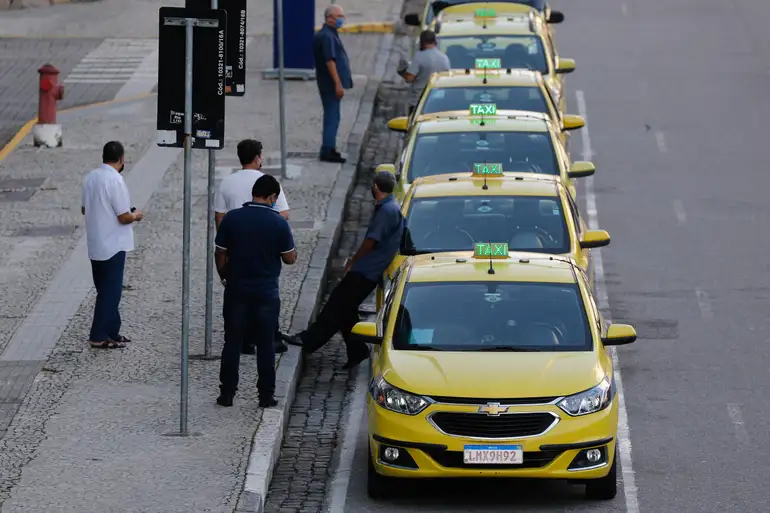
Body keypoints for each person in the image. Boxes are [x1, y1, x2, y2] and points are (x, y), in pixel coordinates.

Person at [286, 171, 403, 369]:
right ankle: (357, 351)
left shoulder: (387, 211)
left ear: (375, 187)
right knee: (346, 309)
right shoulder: (390, 207)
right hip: (370, 269)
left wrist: (352, 262)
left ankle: (309, 340)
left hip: (366, 270)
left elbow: (370, 241)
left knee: (336, 306)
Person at [214, 175, 298, 408]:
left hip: (237, 289)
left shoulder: (232, 218)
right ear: (272, 197)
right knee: (265, 344)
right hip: (266, 292)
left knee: (232, 341)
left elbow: (220, 252)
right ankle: (265, 395)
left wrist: (224, 275)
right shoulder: (278, 223)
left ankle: (227, 393)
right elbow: (289, 258)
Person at [214, 139, 291, 355]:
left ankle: (244, 340)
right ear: (258, 158)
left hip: (236, 245)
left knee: (238, 294)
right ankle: (269, 338)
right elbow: (283, 214)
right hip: (265, 247)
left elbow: (219, 217)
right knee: (267, 292)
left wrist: (227, 242)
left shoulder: (226, 182)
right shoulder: (267, 182)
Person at [82, 141, 143, 349]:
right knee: (111, 291)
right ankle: (98, 336)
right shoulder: (115, 180)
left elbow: (84, 209)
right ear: (121, 159)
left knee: (105, 289)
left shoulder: (90, 177)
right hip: (113, 244)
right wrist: (136, 215)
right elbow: (123, 216)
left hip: (95, 242)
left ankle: (112, 331)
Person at [313, 3, 353, 164]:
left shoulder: (329, 34)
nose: (341, 20)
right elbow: (330, 61)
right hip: (329, 84)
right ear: (329, 18)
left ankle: (330, 147)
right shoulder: (326, 36)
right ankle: (327, 149)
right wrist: (338, 83)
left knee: (334, 116)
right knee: (332, 116)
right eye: (339, 17)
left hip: (328, 83)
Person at [398, 29, 451, 116]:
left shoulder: (419, 56)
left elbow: (409, 78)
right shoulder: (444, 58)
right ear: (435, 42)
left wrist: (402, 71)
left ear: (421, 43)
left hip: (419, 101)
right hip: (440, 100)